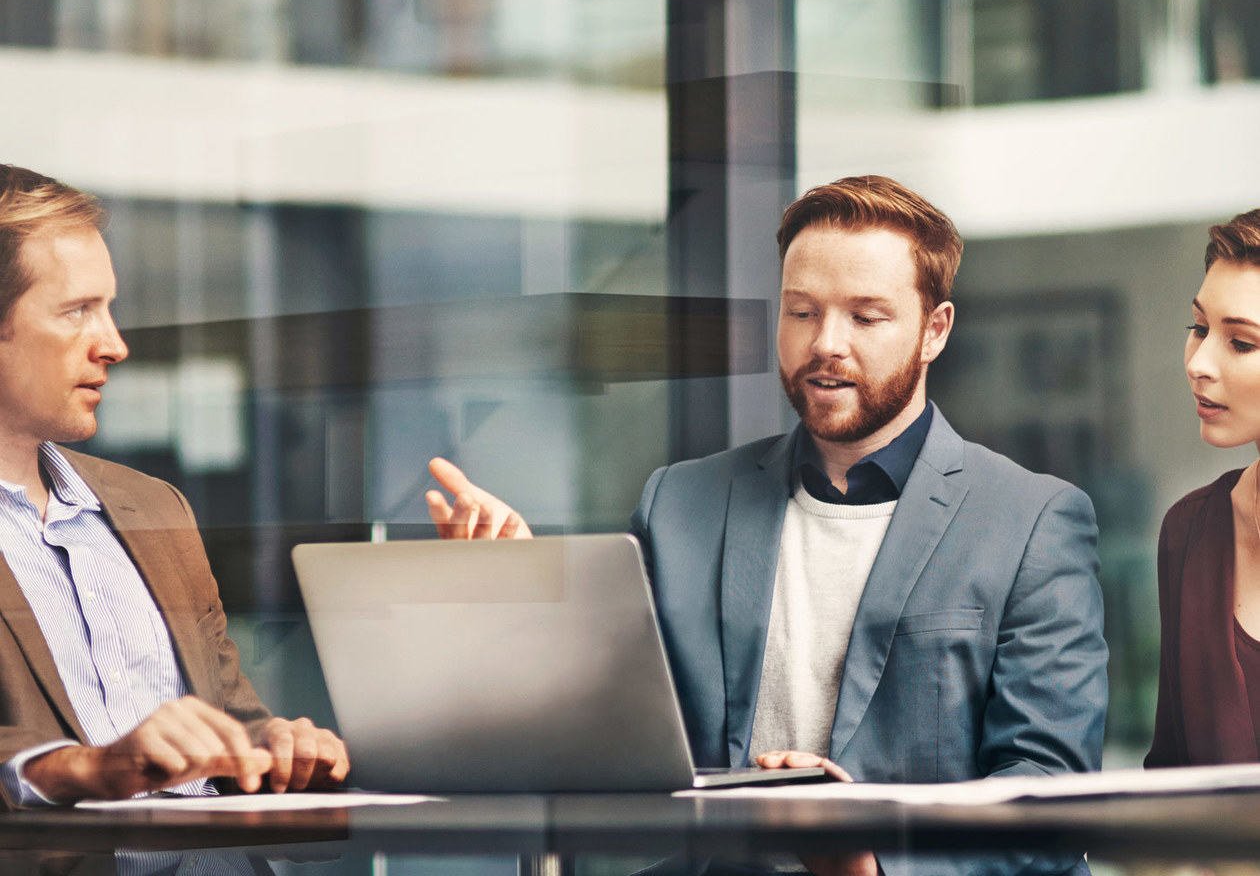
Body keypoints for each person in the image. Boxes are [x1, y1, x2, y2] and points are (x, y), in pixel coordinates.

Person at [425, 176, 1108, 813]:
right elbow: (592, 728)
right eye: (801, 311)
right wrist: (513, 592)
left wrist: (866, 860)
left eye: (866, 318)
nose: (825, 344)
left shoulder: (1031, 523)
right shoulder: (679, 505)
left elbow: (1046, 788)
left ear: (936, 331)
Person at [0, 164, 349, 808]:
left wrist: (273, 745)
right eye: (77, 311)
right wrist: (76, 770)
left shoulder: (154, 509)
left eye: (109, 309)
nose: (114, 345)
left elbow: (232, 717)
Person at [1148, 208, 1260, 766]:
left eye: (1241, 343)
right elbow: (1169, 774)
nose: (1199, 362)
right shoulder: (1189, 532)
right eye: (1199, 329)